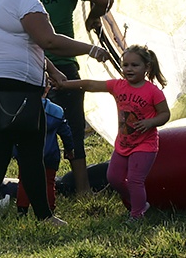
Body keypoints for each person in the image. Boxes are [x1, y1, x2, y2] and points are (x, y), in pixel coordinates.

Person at [0, 0, 110, 224]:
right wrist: (89, 49)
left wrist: (51, 68)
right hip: (13, 88)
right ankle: (44, 216)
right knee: (32, 151)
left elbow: (19, 42)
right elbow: (48, 40)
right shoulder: (25, 0)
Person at [30, 0, 114, 197]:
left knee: (34, 133)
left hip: (32, 68)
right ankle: (83, 189)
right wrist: (93, 18)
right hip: (65, 69)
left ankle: (38, 191)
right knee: (74, 129)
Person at [57, 45, 169, 219]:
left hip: (145, 144)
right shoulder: (118, 86)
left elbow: (165, 114)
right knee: (114, 178)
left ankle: (137, 213)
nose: (129, 69)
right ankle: (139, 202)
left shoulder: (153, 92)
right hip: (123, 143)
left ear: (147, 67)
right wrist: (65, 85)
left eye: (134, 65)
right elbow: (90, 84)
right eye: (125, 65)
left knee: (134, 180)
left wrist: (150, 122)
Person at [16, 93, 73, 216]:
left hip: (26, 152)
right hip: (50, 153)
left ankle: (22, 209)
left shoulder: (21, 107)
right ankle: (50, 209)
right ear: (47, 89)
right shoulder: (56, 111)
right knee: (49, 182)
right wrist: (69, 149)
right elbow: (66, 133)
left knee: (24, 180)